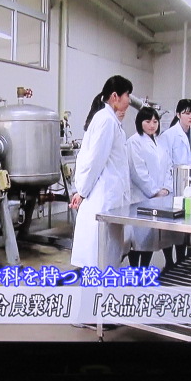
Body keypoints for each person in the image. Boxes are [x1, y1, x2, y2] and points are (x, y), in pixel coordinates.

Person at [69, 75, 133, 271]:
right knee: (100, 259)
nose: (129, 100)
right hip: (102, 199)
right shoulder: (106, 121)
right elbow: (94, 161)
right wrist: (82, 192)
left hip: (109, 198)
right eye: (127, 95)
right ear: (115, 96)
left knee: (106, 257)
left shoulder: (110, 120)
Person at [157, 99, 191, 268]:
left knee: (188, 226)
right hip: (173, 187)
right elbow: (165, 165)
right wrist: (168, 187)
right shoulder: (168, 136)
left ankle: (184, 259)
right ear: (178, 115)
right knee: (171, 227)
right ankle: (169, 262)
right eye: (186, 113)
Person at [126, 107, 174, 268]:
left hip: (159, 198)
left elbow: (169, 166)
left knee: (150, 237)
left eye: (155, 121)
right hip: (140, 197)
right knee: (137, 238)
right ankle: (134, 270)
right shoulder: (134, 142)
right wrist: (154, 191)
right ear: (140, 123)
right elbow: (137, 171)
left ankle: (145, 269)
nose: (152, 125)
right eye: (148, 121)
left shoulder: (161, 141)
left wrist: (166, 188)